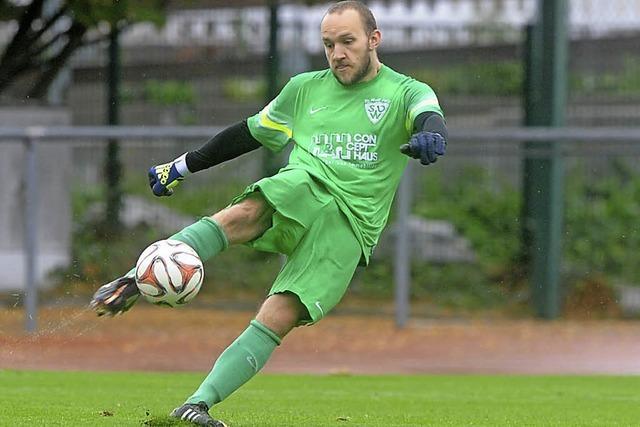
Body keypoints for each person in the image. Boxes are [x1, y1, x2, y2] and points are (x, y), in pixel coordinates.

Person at [90, 1, 447, 426]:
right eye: (329, 44)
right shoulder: (304, 89)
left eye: (347, 42)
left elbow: (429, 117)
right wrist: (183, 165)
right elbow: (247, 134)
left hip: (352, 225)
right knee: (247, 210)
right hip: (306, 184)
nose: (337, 54)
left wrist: (430, 137)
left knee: (279, 315)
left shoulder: (406, 90)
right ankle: (138, 276)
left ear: (374, 39)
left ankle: (195, 405)